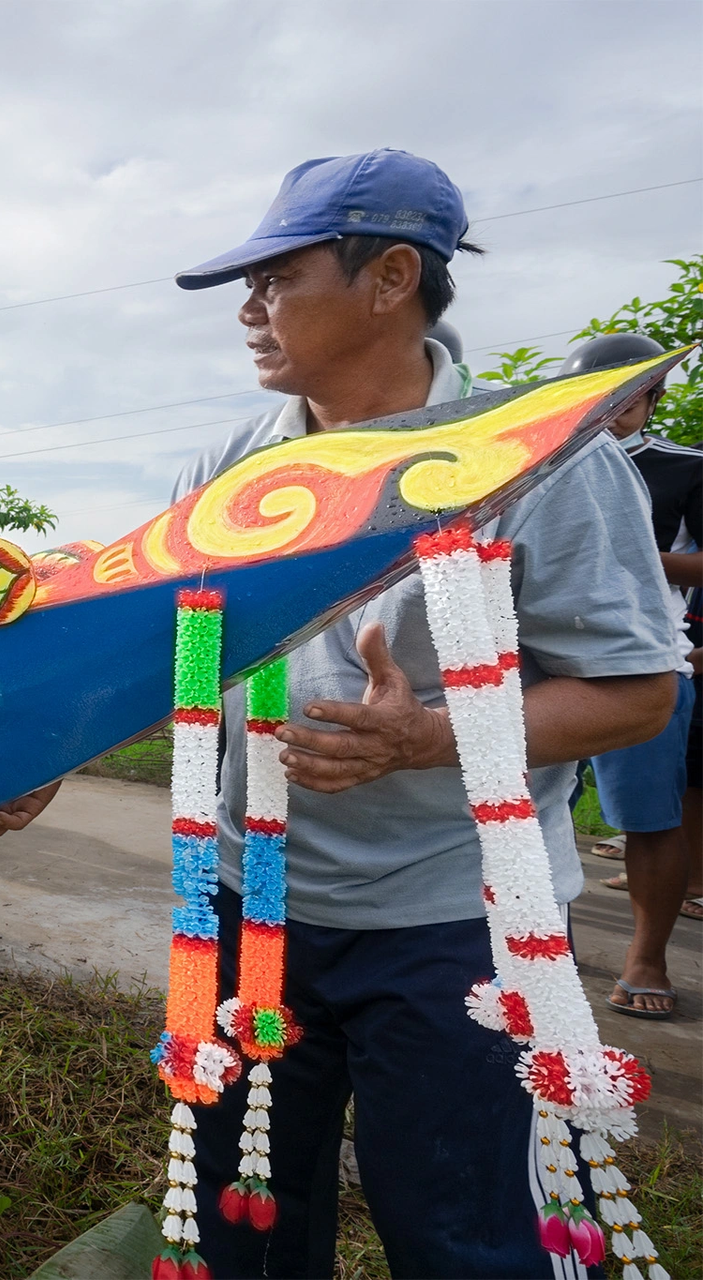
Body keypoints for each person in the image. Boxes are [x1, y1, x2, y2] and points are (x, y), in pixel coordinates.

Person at [168, 148, 678, 1278]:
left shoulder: (539, 463)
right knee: (245, 1215)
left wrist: (435, 735)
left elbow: (639, 690)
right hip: (256, 908)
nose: (250, 312)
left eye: (277, 279)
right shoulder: (228, 471)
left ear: (392, 276)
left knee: (461, 1232)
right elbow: (160, 654)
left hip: (456, 925)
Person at [562, 331, 702, 1020]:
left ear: (652, 397)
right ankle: (541, 939)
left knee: (650, 817)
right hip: (537, 655)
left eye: (626, 395)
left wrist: (635, 549)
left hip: (634, 659)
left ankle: (646, 955)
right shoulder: (542, 461)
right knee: (527, 802)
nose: (610, 408)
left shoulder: (683, 469)